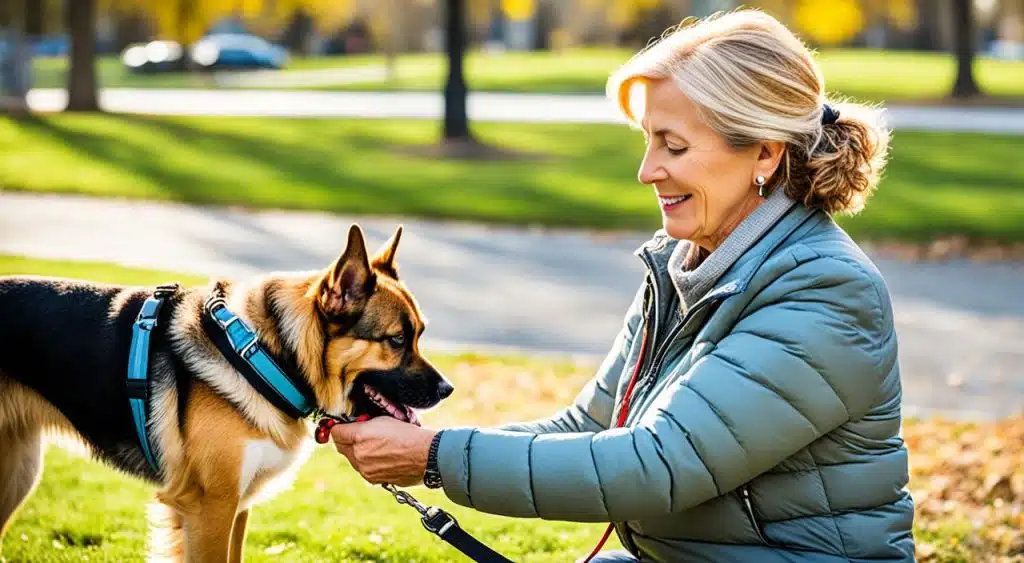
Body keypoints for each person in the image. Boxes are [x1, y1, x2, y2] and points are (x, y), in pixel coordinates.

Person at [331, 8, 914, 562]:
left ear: (764, 151)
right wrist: (425, 441)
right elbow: (586, 428)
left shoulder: (825, 292)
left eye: (674, 145)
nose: (647, 170)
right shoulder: (682, 267)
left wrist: (431, 459)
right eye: (649, 140)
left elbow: (656, 467)